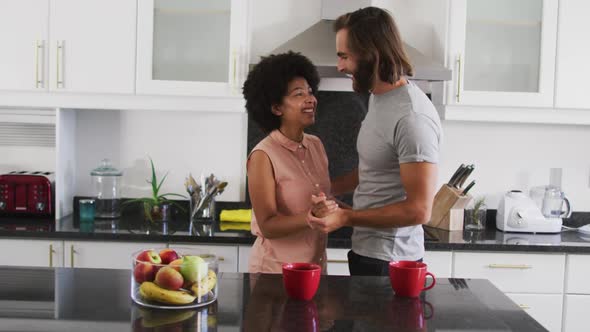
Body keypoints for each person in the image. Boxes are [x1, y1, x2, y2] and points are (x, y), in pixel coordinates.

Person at [309, 7, 442, 276]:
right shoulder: (378, 98)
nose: (340, 66)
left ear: (372, 55)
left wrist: (347, 217)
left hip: (391, 262)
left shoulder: (412, 117)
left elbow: (419, 211)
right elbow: (375, 168)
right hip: (366, 251)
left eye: (345, 56)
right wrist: (330, 190)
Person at [243, 51, 338, 273]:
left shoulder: (316, 145)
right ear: (276, 108)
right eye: (298, 94)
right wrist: (310, 217)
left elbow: (320, 201)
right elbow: (267, 225)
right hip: (275, 273)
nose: (310, 99)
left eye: (310, 92)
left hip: (314, 270)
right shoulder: (263, 156)